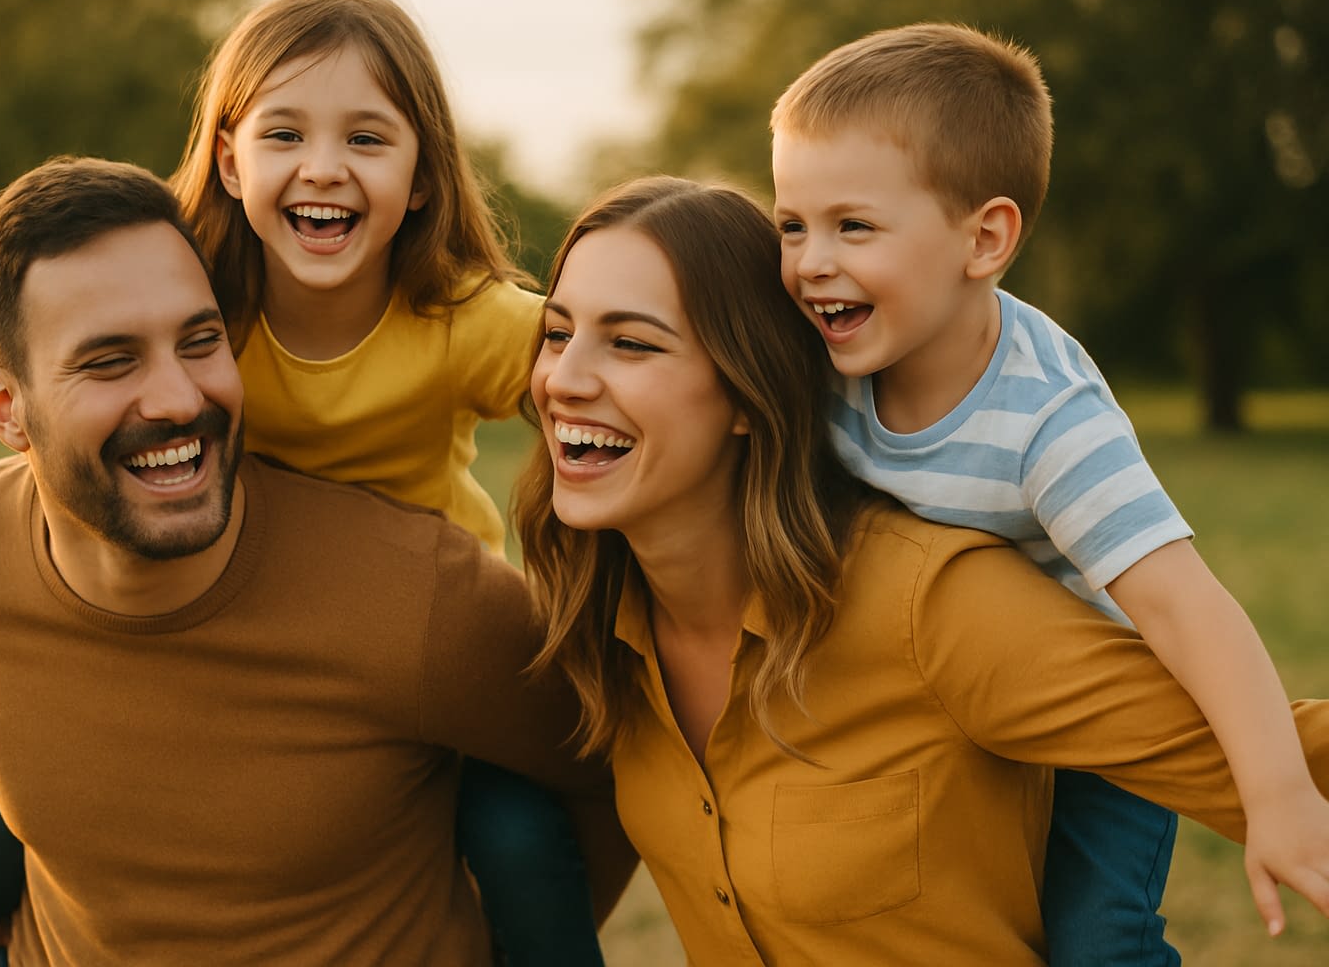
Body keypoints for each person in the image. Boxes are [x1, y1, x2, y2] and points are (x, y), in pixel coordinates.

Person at [0, 0, 603, 967]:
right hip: (206, 562)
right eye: (285, 134)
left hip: (405, 629)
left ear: (424, 176)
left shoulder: (466, 320)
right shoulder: (208, 283)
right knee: (12, 792)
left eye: (367, 140)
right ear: (229, 158)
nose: (323, 168)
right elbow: (29, 270)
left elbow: (597, 374)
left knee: (517, 831)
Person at [511, 174, 1329, 965]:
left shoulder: (930, 603)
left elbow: (1274, 750)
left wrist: (1286, 799)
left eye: (630, 343)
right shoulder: (588, 626)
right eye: (557, 333)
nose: (565, 380)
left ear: (747, 395)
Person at [766, 22, 1329, 963]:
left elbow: (1189, 610)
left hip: (1087, 711)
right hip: (931, 704)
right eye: (792, 224)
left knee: (1093, 937)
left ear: (984, 238)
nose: (809, 261)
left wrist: (1276, 797)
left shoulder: (1048, 419)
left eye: (852, 225)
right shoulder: (820, 357)